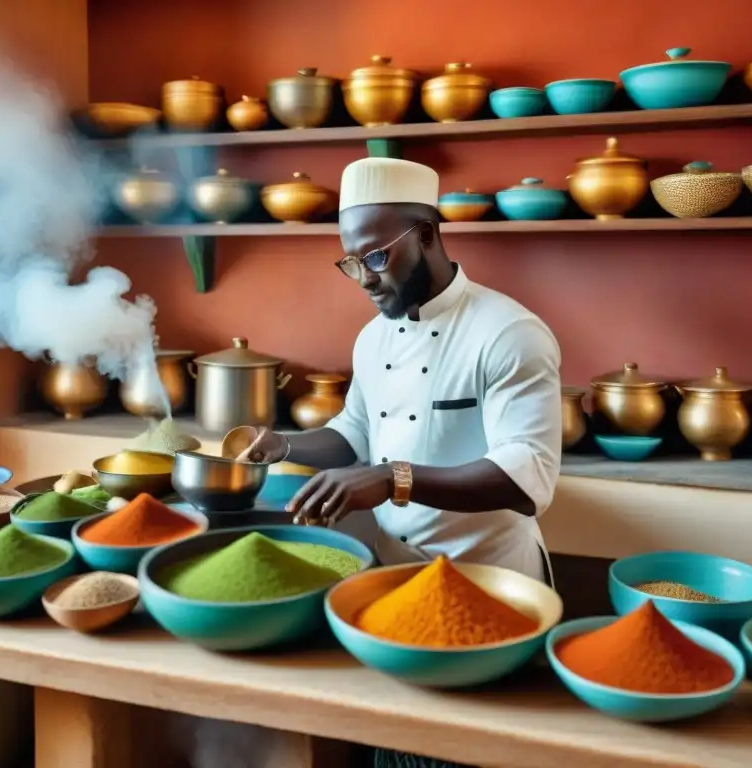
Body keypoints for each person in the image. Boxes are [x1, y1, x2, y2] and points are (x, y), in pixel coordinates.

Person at [238, 157, 562, 768]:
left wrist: (393, 479)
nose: (363, 278)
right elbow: (353, 433)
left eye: (377, 257)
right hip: (395, 583)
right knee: (397, 751)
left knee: (473, 753)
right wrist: (281, 444)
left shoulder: (509, 332)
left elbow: (528, 477)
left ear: (429, 235)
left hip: (491, 584)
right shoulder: (373, 338)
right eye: (351, 263)